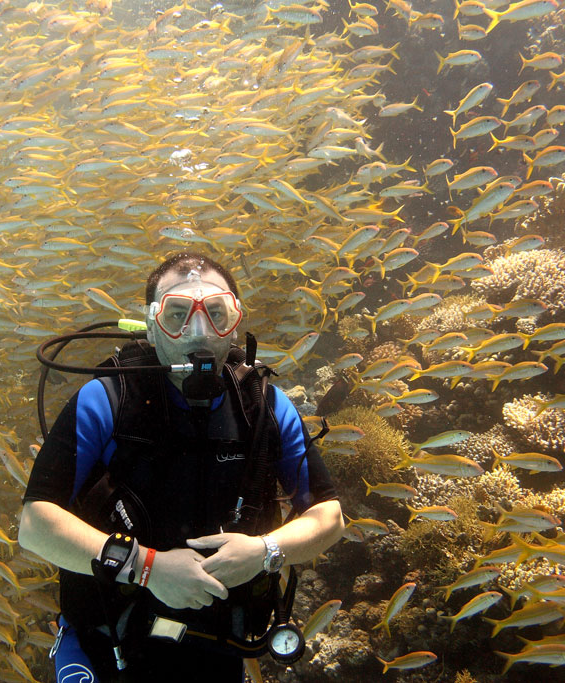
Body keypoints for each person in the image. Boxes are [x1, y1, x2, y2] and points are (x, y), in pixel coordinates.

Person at [18, 251, 343, 682]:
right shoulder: (106, 400)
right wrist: (147, 567)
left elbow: (329, 516)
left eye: (215, 313)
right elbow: (36, 525)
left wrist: (264, 552)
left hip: (219, 645)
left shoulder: (263, 406)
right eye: (176, 314)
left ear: (235, 321)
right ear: (152, 328)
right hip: (109, 641)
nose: (198, 332)